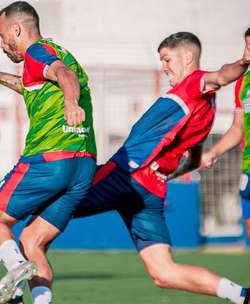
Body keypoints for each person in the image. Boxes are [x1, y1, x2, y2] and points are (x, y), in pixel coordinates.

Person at [17, 32, 250, 304]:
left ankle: (21, 295)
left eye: (166, 59)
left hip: (125, 176)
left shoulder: (194, 83)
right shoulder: (206, 108)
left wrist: (243, 62)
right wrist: (168, 171)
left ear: (187, 57)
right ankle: (242, 296)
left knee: (33, 228)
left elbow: (221, 76)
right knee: (164, 273)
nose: (164, 67)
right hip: (151, 189)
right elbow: (194, 160)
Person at [0, 1, 96, 303]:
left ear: (17, 29)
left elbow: (64, 76)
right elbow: (33, 86)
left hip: (49, 157)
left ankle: (16, 267)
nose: (1, 43)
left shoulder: (36, 53)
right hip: (83, 165)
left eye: (1, 34)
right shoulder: (59, 52)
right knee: (31, 240)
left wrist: (70, 104)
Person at [201, 27, 250, 244]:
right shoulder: (243, 82)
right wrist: (212, 152)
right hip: (248, 166)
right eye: (247, 46)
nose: (248, 52)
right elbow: (237, 128)